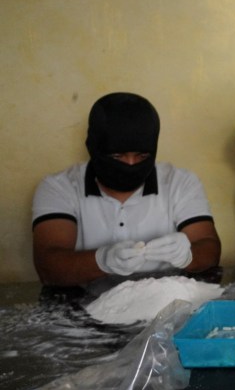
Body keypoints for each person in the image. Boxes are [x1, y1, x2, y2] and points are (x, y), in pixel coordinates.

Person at [32, 92, 221, 287]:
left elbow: (209, 248)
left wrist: (188, 256)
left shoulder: (180, 182)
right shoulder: (59, 187)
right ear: (94, 148)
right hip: (82, 307)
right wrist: (102, 261)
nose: (131, 164)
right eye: (117, 156)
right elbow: (48, 266)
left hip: (168, 304)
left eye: (141, 156)